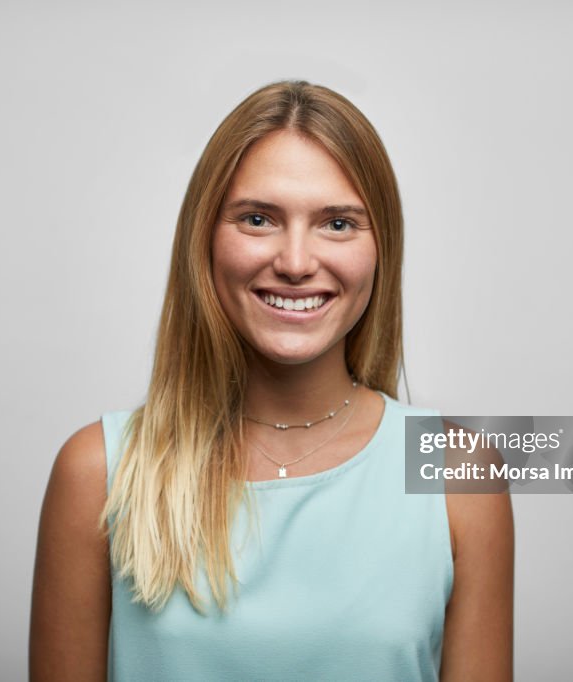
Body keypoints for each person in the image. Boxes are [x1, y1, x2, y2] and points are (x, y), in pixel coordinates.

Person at [29, 80, 514, 681]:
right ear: (204, 239)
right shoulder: (97, 470)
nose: (294, 261)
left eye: (338, 224)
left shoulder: (459, 473)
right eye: (258, 219)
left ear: (381, 249)